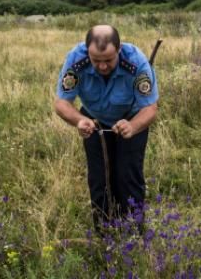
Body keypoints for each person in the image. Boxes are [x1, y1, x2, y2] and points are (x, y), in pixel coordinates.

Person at [54, 24, 159, 232]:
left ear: (119, 49)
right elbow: (61, 103)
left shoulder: (136, 62)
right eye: (96, 61)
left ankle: (134, 233)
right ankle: (104, 232)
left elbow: (150, 108)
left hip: (130, 119)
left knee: (127, 176)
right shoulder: (75, 60)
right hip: (94, 120)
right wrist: (79, 120)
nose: (102, 66)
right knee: (99, 178)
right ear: (87, 51)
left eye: (108, 60)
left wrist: (133, 125)